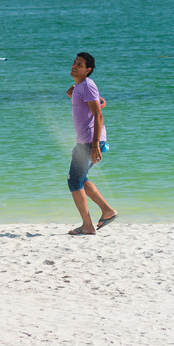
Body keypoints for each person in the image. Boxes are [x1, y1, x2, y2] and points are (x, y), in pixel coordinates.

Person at [66, 51, 118, 235]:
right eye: (74, 62)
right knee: (80, 179)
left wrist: (96, 144)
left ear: (87, 70)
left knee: (74, 181)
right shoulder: (80, 86)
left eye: (79, 65)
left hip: (90, 140)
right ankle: (108, 211)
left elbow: (98, 114)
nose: (74, 66)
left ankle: (87, 225)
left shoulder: (87, 85)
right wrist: (73, 95)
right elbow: (92, 106)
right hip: (85, 140)